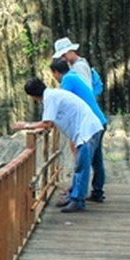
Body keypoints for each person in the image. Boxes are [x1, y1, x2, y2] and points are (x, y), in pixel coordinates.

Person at [12, 77, 103, 212]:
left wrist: (25, 125)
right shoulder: (54, 94)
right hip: (92, 128)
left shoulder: (50, 98)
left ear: (33, 96)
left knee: (81, 167)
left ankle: (77, 201)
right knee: (93, 164)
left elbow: (47, 123)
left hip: (86, 132)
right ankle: (88, 194)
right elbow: (51, 122)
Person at [51, 57, 107, 202]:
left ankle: (76, 197)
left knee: (83, 161)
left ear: (56, 72)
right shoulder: (75, 75)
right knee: (96, 160)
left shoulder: (68, 80)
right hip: (98, 121)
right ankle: (97, 192)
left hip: (89, 125)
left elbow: (61, 100)